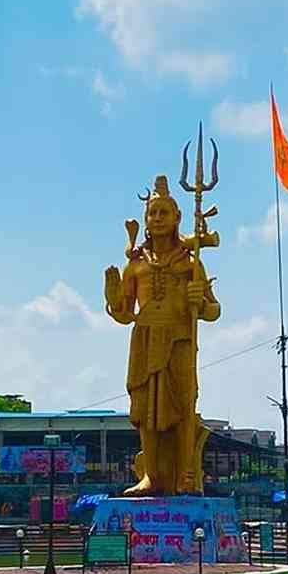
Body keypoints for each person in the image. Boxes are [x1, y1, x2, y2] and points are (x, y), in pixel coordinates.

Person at [104, 175, 221, 496]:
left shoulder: (190, 262)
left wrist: (199, 299)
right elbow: (125, 314)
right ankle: (152, 476)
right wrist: (113, 297)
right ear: (145, 221)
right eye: (152, 214)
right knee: (144, 410)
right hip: (144, 340)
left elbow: (213, 310)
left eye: (163, 213)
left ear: (177, 218)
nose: (157, 219)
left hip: (180, 340)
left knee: (184, 405)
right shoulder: (137, 265)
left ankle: (186, 473)